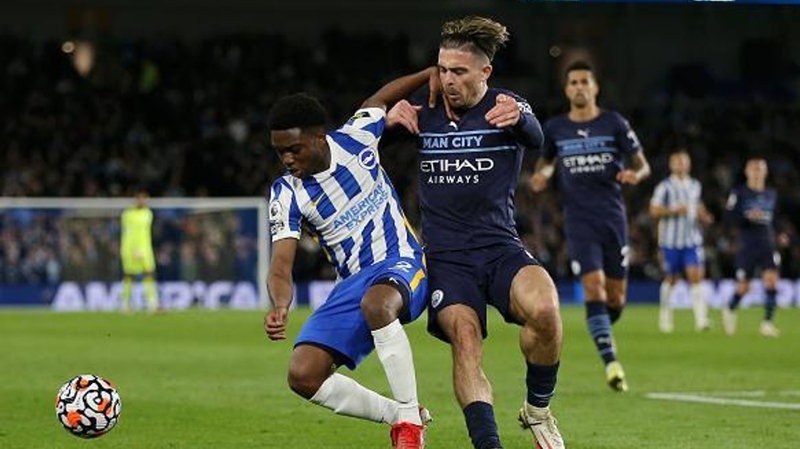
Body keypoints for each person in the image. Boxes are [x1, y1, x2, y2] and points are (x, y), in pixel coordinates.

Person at [388, 16, 565, 449]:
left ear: (485, 72)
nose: (448, 80)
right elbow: (357, 136)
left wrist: (522, 115)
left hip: (501, 247)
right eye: (442, 69)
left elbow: (537, 136)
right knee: (465, 340)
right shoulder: (423, 111)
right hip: (447, 259)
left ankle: (537, 411)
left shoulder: (506, 106)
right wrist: (387, 117)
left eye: (459, 71)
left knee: (545, 311)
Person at [265, 68, 441, 449]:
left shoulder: (356, 139)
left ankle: (409, 425)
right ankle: (397, 414)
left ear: (319, 137)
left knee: (378, 304)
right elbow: (281, 263)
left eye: (295, 149)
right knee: (304, 374)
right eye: (280, 152)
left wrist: (431, 73)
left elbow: (378, 99)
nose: (288, 159)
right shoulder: (287, 194)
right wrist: (280, 303)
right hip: (352, 283)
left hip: (403, 260)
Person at [530, 60, 651, 393]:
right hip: (578, 220)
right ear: (567, 89)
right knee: (594, 288)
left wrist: (633, 175)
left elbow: (643, 166)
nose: (580, 87)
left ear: (595, 87)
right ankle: (612, 363)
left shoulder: (614, 123)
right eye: (574, 82)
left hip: (613, 219)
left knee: (615, 298)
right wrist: (543, 175)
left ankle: (599, 327)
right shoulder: (555, 128)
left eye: (585, 81)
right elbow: (547, 162)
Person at [649, 149, 714, 333]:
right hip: (670, 242)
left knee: (696, 277)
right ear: (671, 165)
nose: (681, 165)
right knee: (672, 279)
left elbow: (697, 206)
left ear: (689, 164)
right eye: (677, 162)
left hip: (692, 240)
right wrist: (675, 211)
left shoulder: (695, 185)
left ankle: (702, 321)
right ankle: (665, 318)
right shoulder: (665, 186)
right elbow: (653, 210)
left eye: (683, 161)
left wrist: (704, 216)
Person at [722, 157, 781, 338]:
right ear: (747, 172)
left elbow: (774, 220)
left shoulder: (771, 194)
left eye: (760, 169)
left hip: (767, 244)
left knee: (771, 280)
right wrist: (747, 218)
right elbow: (729, 218)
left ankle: (767, 323)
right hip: (747, 244)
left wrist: (781, 235)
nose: (756, 172)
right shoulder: (739, 193)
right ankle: (730, 309)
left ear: (765, 172)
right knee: (744, 287)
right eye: (753, 169)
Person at [119, 189, 159, 312]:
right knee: (129, 276)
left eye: (145, 198)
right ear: (136, 200)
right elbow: (129, 233)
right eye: (140, 198)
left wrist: (141, 249)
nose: (143, 201)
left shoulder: (148, 214)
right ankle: (125, 304)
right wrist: (134, 249)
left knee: (149, 274)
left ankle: (152, 304)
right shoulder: (127, 215)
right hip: (130, 249)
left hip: (146, 249)